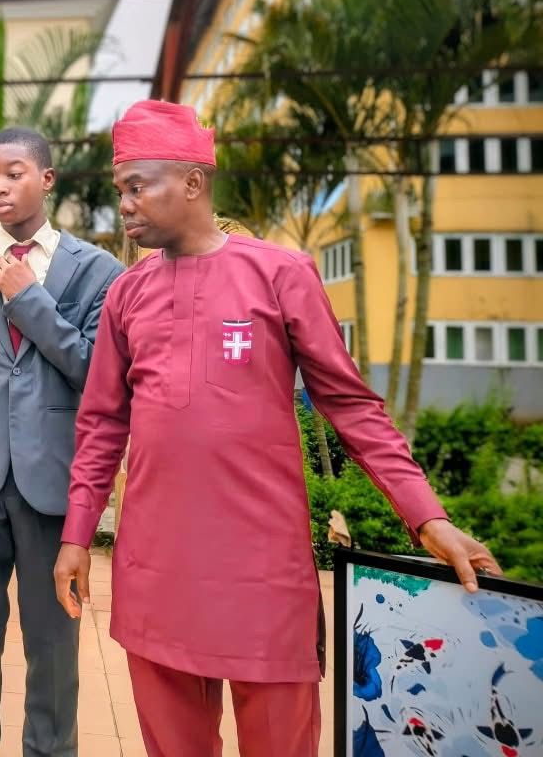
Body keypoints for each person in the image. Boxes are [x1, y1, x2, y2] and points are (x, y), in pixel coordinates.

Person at [52, 99, 501, 757]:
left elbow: (351, 405)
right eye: (120, 189)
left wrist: (427, 517)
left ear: (193, 182)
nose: (125, 204)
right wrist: (76, 535)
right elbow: (100, 426)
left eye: (137, 186)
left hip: (262, 574)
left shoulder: (280, 274)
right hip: (155, 572)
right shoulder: (127, 293)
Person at [0, 127, 123, 756]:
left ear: (47, 179)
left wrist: (28, 299)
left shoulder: (99, 271)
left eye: (13, 173)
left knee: (53, 649)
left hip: (52, 485)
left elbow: (95, 372)